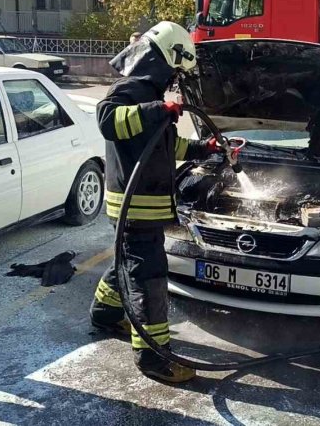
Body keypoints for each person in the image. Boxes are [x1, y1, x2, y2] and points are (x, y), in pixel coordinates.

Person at [89, 21, 222, 383]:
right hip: (135, 207)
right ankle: (153, 358)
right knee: (148, 278)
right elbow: (107, 120)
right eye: (175, 71)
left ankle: (104, 314)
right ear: (164, 59)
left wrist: (203, 148)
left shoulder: (149, 95)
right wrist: (157, 109)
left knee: (128, 262)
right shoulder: (131, 89)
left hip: (141, 208)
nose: (175, 80)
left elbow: (164, 145)